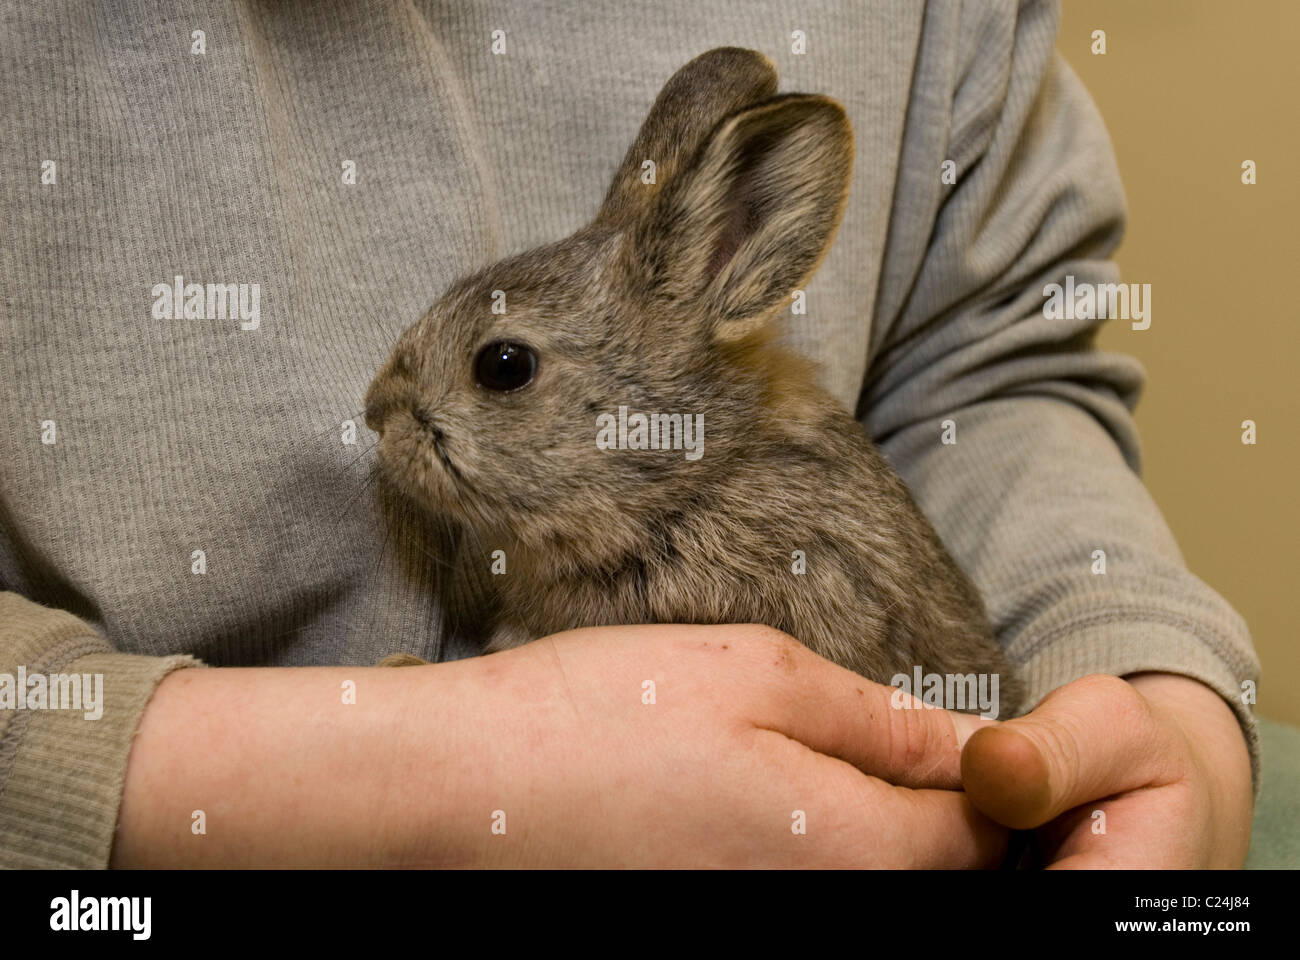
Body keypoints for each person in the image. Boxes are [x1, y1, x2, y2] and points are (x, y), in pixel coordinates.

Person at [0, 0, 1256, 868]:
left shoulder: (749, 528)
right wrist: (381, 773)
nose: (388, 411)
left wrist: (1138, 701)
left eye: (500, 373)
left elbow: (986, 359)